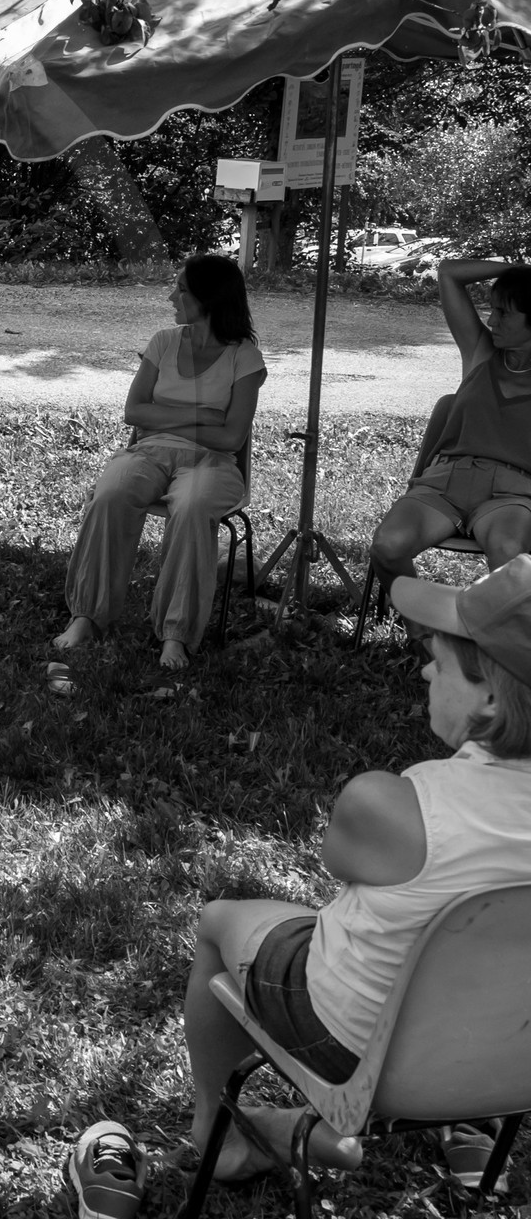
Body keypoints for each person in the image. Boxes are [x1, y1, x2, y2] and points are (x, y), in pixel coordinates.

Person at [161, 556, 531, 1208]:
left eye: (439, 662)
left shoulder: (389, 807)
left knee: (222, 921)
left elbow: (341, 860)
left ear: (493, 697)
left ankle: (224, 1141)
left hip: (353, 1057)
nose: (422, 669)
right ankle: (473, 1115)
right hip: (516, 1068)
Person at [55, 254, 265, 672]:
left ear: (208, 297)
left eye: (181, 289)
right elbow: (134, 412)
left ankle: (176, 635)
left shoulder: (244, 356)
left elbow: (231, 438)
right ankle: (87, 617)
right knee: (110, 494)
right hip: (148, 452)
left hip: (212, 462)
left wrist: (168, 417)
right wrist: (203, 415)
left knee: (190, 507)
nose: (172, 296)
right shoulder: (163, 342)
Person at [370, 259, 531, 584]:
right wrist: (515, 270)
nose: (491, 320)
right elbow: (449, 274)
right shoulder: (481, 351)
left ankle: (491, 633)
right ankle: (426, 636)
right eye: (492, 309)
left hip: (512, 492)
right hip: (445, 481)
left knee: (509, 551)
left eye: (503, 312)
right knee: (387, 546)